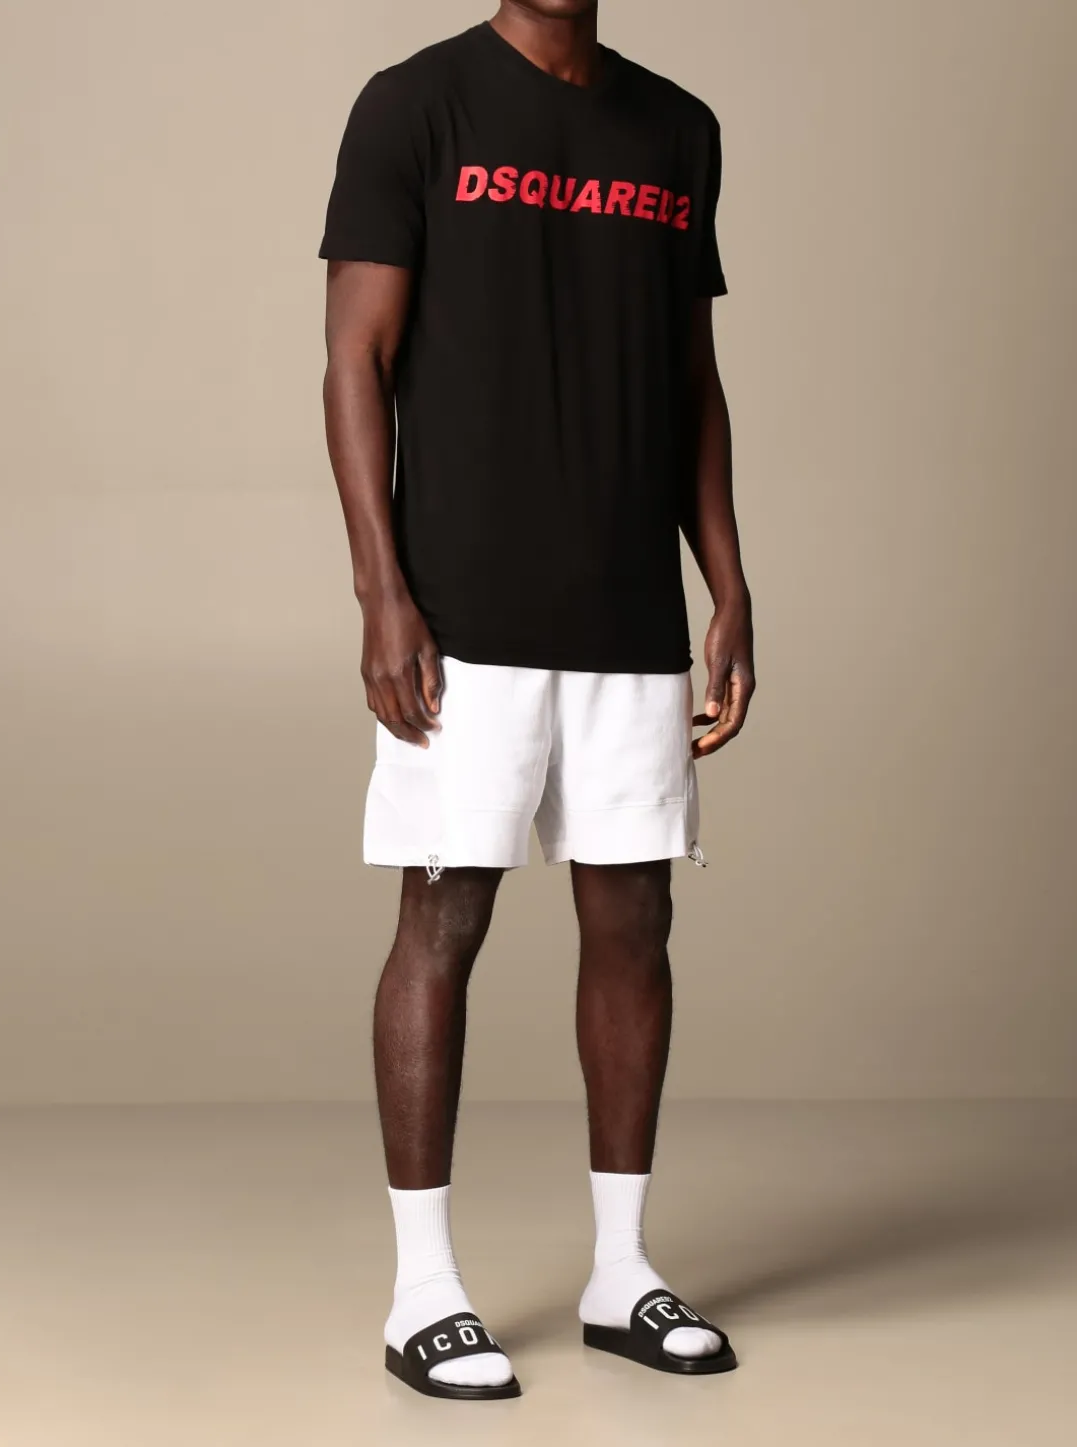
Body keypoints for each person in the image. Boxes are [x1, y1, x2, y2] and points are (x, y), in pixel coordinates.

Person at [319, 0, 755, 1401]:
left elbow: (690, 376)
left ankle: (622, 1272)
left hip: (627, 607)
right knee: (443, 919)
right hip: (463, 612)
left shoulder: (677, 129)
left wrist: (726, 578)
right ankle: (423, 1294)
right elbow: (354, 359)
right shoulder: (416, 105)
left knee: (635, 923)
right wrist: (382, 592)